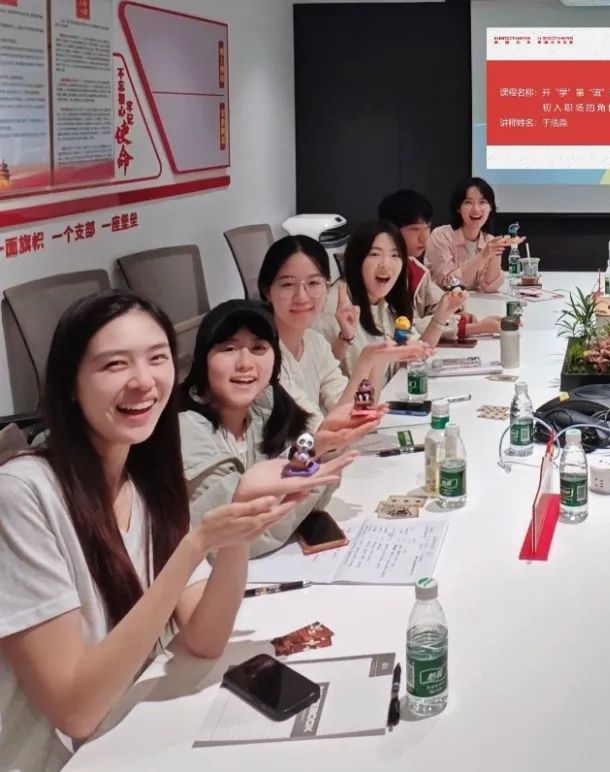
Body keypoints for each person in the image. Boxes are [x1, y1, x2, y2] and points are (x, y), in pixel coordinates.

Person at [0, 291, 332, 771]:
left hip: (132, 735)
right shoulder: (23, 494)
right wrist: (195, 546)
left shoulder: (144, 485)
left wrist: (238, 530)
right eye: (115, 364)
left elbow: (205, 638)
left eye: (157, 358)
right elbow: (75, 710)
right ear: (70, 383)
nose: (143, 381)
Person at [178, 300, 376, 557]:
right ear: (203, 359)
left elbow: (311, 504)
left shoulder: (263, 411)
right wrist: (309, 459)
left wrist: (323, 448)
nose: (245, 363)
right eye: (229, 348)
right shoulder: (185, 429)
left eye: (258, 348)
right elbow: (235, 540)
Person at [258, 234, 429, 414]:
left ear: (327, 286)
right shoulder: (262, 354)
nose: (302, 297)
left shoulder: (315, 343)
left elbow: (355, 410)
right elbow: (313, 427)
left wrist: (377, 360)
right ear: (267, 291)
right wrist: (366, 361)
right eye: (287, 284)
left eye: (313, 283)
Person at [319, 221, 463, 387]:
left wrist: (442, 315)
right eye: (375, 254)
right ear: (356, 259)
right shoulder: (336, 307)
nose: (385, 264)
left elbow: (413, 354)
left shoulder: (386, 303)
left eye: (395, 255)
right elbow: (328, 380)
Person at [378, 189, 501, 336]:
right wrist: (471, 328)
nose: (424, 237)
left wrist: (456, 314)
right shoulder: (382, 274)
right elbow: (404, 326)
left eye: (427, 228)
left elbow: (436, 302)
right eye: (415, 229)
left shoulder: (415, 268)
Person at [425, 177, 509, 291]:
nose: (476, 209)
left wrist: (496, 253)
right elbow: (450, 284)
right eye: (468, 202)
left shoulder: (489, 240)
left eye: (482, 202)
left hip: (473, 301)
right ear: (458, 208)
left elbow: (489, 287)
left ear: (490, 207)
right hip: (441, 301)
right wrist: (483, 256)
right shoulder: (441, 236)